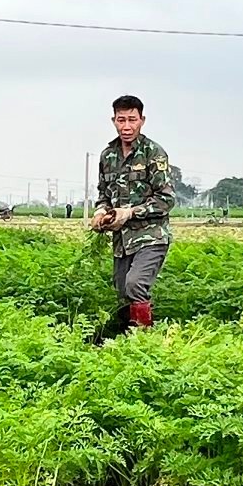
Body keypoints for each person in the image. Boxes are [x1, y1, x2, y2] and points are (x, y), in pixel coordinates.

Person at [90, 94, 175, 339]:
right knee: (122, 293)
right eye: (121, 120)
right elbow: (104, 194)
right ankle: (124, 345)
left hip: (151, 236)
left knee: (135, 284)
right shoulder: (108, 156)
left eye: (132, 120)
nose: (126, 126)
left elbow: (166, 200)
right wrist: (101, 212)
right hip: (122, 241)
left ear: (142, 120)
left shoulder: (153, 153)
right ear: (113, 121)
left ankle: (144, 345)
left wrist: (130, 213)